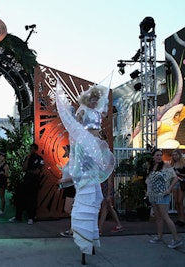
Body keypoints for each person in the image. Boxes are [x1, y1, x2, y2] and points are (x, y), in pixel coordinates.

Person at [56, 83, 115, 259]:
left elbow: (103, 113)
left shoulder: (98, 112)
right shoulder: (83, 112)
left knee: (94, 193)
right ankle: (84, 236)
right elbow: (76, 127)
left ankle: (90, 236)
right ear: (86, 99)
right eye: (92, 99)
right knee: (87, 189)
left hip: (94, 147)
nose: (94, 102)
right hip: (85, 145)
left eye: (96, 99)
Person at [146, 148, 182, 249]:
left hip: (163, 194)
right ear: (153, 156)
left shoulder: (166, 166)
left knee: (165, 216)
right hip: (153, 194)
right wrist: (148, 192)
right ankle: (159, 236)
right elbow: (149, 180)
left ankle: (176, 239)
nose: (159, 157)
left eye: (160, 155)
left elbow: (175, 178)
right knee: (158, 217)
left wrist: (169, 190)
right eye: (157, 155)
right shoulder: (151, 166)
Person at [9, 143, 44, 225]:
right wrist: (28, 159)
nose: (31, 151)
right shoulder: (27, 158)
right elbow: (24, 169)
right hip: (26, 181)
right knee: (20, 198)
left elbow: (37, 172)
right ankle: (18, 216)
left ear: (36, 150)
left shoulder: (40, 159)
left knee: (32, 200)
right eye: (30, 149)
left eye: (32, 149)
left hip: (34, 183)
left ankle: (31, 217)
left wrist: (29, 171)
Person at [170, 148, 185, 227]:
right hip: (174, 182)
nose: (174, 156)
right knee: (176, 201)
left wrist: (179, 174)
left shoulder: (183, 163)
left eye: (176, 154)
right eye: (173, 155)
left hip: (182, 182)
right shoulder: (172, 164)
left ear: (179, 155)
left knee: (180, 201)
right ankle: (179, 218)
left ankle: (182, 219)